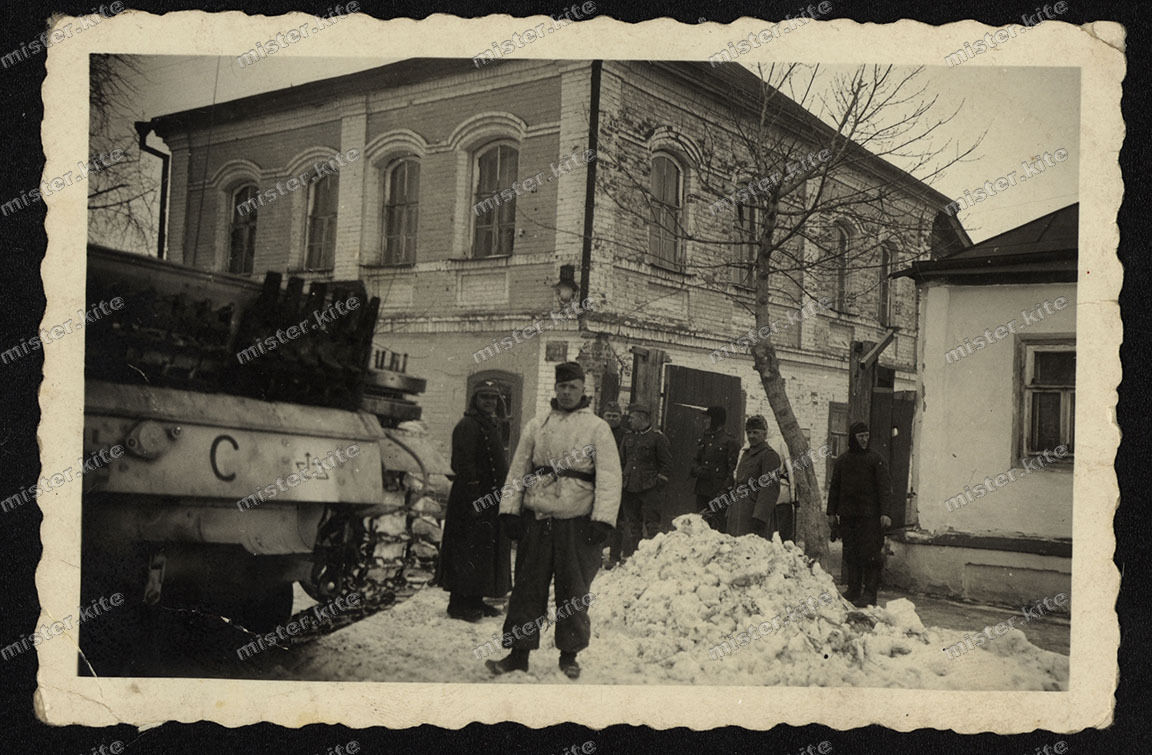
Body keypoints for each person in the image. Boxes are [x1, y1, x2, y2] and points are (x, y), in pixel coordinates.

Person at [486, 362, 622, 679]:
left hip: (578, 521)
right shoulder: (537, 424)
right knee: (527, 588)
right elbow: (518, 470)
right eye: (561, 387)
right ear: (556, 389)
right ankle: (518, 654)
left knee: (573, 590)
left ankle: (569, 655)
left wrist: (601, 521)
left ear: (582, 390)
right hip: (539, 518)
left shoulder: (597, 428)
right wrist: (510, 511)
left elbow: (610, 477)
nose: (566, 392)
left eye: (572, 387)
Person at [438, 381, 513, 622]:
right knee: (466, 549)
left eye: (493, 398)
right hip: (471, 499)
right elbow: (463, 464)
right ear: (475, 400)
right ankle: (459, 604)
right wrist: (475, 499)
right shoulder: (467, 425)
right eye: (484, 398)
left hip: (489, 498)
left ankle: (476, 599)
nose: (490, 402)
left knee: (482, 549)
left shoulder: (490, 424)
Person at [826, 421, 892, 608]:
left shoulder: (875, 459)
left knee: (870, 555)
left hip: (870, 518)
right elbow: (834, 489)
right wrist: (831, 513)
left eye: (866, 435)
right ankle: (853, 589)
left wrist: (885, 513)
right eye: (860, 436)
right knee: (851, 554)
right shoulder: (842, 461)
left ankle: (869, 594)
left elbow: (885, 489)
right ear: (853, 438)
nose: (864, 439)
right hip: (848, 517)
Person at [618, 402, 672, 555]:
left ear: (642, 418)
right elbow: (622, 461)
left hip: (649, 488)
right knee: (633, 525)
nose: (629, 421)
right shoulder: (628, 437)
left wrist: (658, 484)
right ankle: (634, 556)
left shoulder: (657, 438)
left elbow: (666, 464)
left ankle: (651, 558)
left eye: (632, 418)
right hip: (629, 487)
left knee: (652, 525)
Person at [726, 415, 784, 538]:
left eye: (756, 432)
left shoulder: (769, 456)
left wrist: (759, 517)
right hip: (738, 510)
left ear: (764, 434)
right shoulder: (746, 454)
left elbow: (769, 490)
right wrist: (730, 509)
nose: (751, 436)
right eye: (749, 432)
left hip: (754, 513)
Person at [691, 406, 740, 532]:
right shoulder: (705, 439)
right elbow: (695, 460)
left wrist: (724, 491)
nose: (705, 421)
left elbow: (733, 471)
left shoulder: (730, 441)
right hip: (702, 490)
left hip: (719, 492)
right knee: (700, 526)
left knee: (717, 527)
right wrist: (698, 470)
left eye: (708, 418)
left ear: (716, 420)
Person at [601, 401, 629, 569]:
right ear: (603, 417)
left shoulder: (626, 435)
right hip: (598, 482)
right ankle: (595, 556)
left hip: (617, 482)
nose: (611, 419)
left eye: (615, 416)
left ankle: (614, 556)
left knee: (618, 521)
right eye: (608, 416)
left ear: (620, 417)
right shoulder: (597, 433)